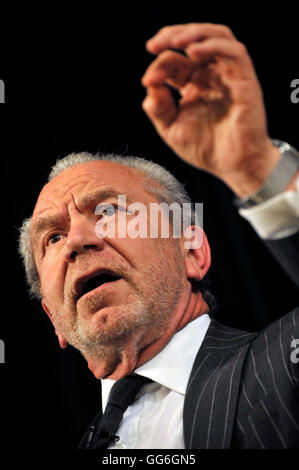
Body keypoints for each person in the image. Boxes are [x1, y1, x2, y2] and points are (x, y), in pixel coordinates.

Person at [18, 23, 299, 449]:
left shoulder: (283, 365)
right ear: (53, 319)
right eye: (52, 239)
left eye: (109, 211)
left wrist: (256, 166)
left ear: (192, 250)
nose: (76, 241)